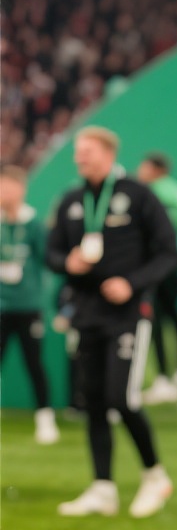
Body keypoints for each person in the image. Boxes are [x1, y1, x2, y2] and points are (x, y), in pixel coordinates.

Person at [45, 126, 177, 517]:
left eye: (85, 151)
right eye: (77, 152)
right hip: (86, 314)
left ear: (107, 153)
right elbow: (51, 253)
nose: (78, 158)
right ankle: (103, 487)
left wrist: (131, 284)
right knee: (93, 402)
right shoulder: (71, 199)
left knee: (122, 399)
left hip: (128, 315)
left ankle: (155, 475)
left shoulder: (138, 195)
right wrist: (67, 262)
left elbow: (169, 253)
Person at [0, 164, 60, 444]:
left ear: (21, 189)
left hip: (28, 306)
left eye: (7, 186)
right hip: (1, 306)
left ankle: (45, 419)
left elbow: (47, 262)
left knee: (34, 364)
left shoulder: (35, 225)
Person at [136, 152, 177, 406]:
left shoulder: (154, 194)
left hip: (160, 264)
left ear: (155, 169)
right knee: (175, 318)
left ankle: (163, 379)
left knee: (156, 318)